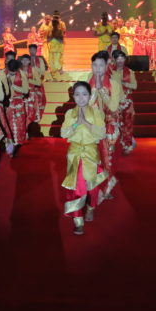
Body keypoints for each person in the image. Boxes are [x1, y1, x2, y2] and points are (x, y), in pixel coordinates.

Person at [61, 81, 110, 236]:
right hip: (75, 155)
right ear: (73, 96)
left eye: (84, 94)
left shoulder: (96, 113)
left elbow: (101, 133)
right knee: (76, 188)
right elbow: (64, 133)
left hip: (90, 154)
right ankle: (78, 221)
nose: (81, 98)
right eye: (77, 94)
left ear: (89, 96)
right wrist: (76, 124)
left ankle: (90, 207)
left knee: (92, 188)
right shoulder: (70, 113)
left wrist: (87, 124)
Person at [88, 51, 122, 194]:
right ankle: (94, 189)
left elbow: (113, 107)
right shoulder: (88, 80)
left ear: (106, 66)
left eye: (101, 65)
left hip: (108, 126)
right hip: (92, 126)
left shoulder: (114, 83)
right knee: (92, 159)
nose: (97, 69)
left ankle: (106, 187)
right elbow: (84, 105)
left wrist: (101, 91)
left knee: (107, 158)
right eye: (94, 65)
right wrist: (94, 92)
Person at [108, 50, 138, 155]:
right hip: (114, 102)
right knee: (113, 123)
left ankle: (127, 145)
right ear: (114, 60)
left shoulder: (129, 72)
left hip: (127, 102)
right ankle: (112, 145)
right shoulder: (110, 71)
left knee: (127, 124)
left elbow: (135, 86)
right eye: (118, 58)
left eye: (122, 58)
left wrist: (124, 83)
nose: (120, 61)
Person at [6, 57, 31, 155]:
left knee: (19, 125)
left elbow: (25, 90)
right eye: (10, 72)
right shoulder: (4, 74)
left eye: (13, 73)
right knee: (9, 125)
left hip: (18, 103)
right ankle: (11, 145)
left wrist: (12, 86)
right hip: (8, 103)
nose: (11, 74)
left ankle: (17, 144)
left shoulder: (22, 75)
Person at [26, 44, 47, 122]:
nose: (32, 51)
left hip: (37, 84)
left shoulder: (40, 60)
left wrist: (34, 67)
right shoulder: (26, 59)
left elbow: (43, 72)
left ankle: (37, 117)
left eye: (33, 50)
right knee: (30, 102)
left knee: (39, 101)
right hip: (28, 85)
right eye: (30, 50)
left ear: (36, 50)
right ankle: (29, 117)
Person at [46, 13, 67, 79]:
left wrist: (55, 38)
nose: (54, 25)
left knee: (57, 62)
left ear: (58, 24)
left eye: (55, 24)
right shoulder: (50, 31)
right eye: (53, 24)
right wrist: (52, 38)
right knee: (51, 62)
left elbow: (61, 41)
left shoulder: (60, 31)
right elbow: (48, 40)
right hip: (52, 49)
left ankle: (60, 71)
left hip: (57, 50)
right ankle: (54, 75)